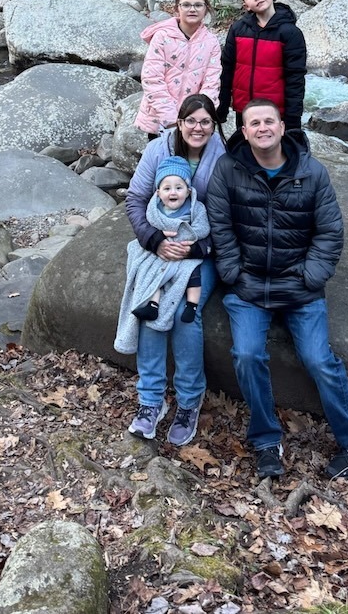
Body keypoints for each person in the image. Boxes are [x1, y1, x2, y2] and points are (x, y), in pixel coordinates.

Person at [206, 98, 348, 480]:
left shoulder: (312, 172)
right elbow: (221, 225)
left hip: (299, 287)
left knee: (318, 359)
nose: (263, 128)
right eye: (254, 123)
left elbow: (330, 232)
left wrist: (310, 277)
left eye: (269, 121)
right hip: (248, 286)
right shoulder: (228, 169)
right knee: (247, 355)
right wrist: (233, 272)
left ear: (282, 128)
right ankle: (266, 441)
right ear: (244, 132)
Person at [121, 93, 226, 445]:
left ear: (214, 126)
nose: (198, 128)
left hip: (201, 251)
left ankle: (188, 400)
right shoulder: (158, 150)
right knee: (151, 307)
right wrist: (154, 240)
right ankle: (150, 401)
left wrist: (198, 248)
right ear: (179, 123)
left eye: (205, 122)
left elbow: (230, 217)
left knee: (183, 311)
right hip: (160, 247)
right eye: (191, 121)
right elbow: (135, 198)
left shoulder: (221, 156)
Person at [115, 157, 209, 351]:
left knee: (192, 274)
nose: (172, 192)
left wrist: (188, 239)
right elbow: (151, 223)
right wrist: (157, 239)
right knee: (150, 271)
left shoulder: (196, 208)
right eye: (167, 189)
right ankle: (152, 304)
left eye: (178, 188)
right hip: (162, 249)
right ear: (158, 193)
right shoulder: (154, 208)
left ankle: (191, 305)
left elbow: (203, 228)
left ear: (189, 191)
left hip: (185, 248)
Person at [217, 0, 307, 132]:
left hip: (274, 112)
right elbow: (227, 69)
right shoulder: (238, 29)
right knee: (244, 152)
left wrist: (293, 121)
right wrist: (223, 105)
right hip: (244, 109)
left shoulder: (290, 33)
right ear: (246, 6)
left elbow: (295, 78)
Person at [135, 0, 221, 137]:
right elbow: (152, 78)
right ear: (177, 9)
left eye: (198, 5)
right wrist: (171, 118)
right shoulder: (162, 37)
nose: (192, 9)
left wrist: (198, 116)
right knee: (163, 158)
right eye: (186, 5)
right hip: (160, 118)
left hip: (194, 122)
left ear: (206, 9)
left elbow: (212, 82)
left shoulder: (211, 42)